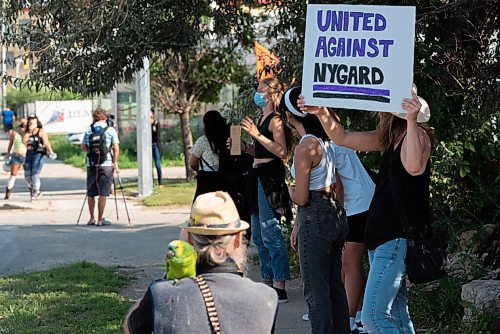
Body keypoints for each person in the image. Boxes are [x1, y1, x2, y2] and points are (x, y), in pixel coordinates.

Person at [298, 85, 433, 334]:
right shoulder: (391, 137)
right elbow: (342, 137)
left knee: (373, 317)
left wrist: (412, 121)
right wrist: (321, 111)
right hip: (382, 237)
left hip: (395, 238)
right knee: (397, 315)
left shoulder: (417, 135)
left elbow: (414, 166)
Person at [123, 191, 279, 334]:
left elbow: (130, 329)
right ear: (238, 240)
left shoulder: (161, 293)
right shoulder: (266, 298)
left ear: (189, 239)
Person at [282, 87, 350, 333]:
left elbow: (300, 197)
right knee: (334, 287)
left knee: (315, 291)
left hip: (315, 214)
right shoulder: (326, 141)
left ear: (291, 117)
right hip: (334, 213)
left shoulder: (305, 147)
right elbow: (338, 185)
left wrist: (287, 190)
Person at [241, 77, 292, 302]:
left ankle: (279, 285)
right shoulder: (262, 118)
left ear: (272, 94)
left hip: (270, 177)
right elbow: (263, 151)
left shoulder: (276, 120)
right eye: (258, 89)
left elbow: (282, 152)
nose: (258, 93)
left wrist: (256, 134)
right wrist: (246, 147)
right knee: (259, 234)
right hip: (256, 175)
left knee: (270, 230)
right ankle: (267, 280)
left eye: (262, 89)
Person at [81, 108, 120, 226]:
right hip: (106, 164)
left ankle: (92, 218)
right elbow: (116, 148)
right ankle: (100, 219)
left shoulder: (89, 130)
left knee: (91, 193)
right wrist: (114, 161)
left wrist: (90, 152)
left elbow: (83, 147)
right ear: (105, 117)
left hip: (91, 164)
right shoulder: (110, 130)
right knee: (103, 192)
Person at [190, 110, 229, 198]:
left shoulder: (203, 141)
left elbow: (192, 163)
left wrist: (198, 169)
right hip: (225, 180)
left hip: (206, 182)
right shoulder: (229, 139)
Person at [22, 115, 56, 200]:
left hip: (38, 153)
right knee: (27, 175)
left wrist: (51, 151)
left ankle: (36, 191)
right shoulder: (27, 132)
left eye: (33, 120)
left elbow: (46, 142)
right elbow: (24, 141)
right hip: (29, 153)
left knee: (35, 174)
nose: (31, 122)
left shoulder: (41, 131)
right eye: (30, 121)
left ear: (37, 122)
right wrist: (29, 131)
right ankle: (35, 189)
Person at [4, 118, 28, 199]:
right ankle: (8, 191)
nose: (22, 125)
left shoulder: (28, 133)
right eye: (21, 123)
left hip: (26, 156)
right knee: (13, 175)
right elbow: (10, 144)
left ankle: (32, 191)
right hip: (16, 156)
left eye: (24, 123)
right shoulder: (14, 133)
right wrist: (8, 153)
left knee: (28, 174)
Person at [151, 108, 163, 186]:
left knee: (157, 164)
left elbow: (157, 136)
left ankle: (160, 182)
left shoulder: (156, 123)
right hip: (148, 146)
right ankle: (150, 181)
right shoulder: (145, 125)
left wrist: (152, 127)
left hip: (155, 145)